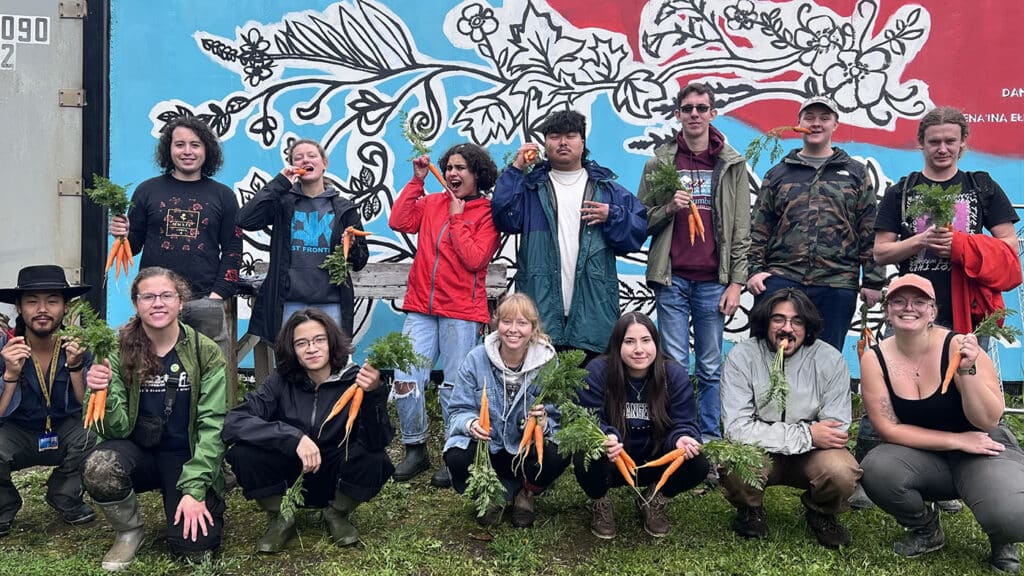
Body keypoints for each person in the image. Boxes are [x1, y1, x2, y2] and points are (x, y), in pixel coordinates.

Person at [859, 274, 1024, 574]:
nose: (909, 307)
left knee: (1014, 516)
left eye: (919, 301)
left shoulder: (959, 345)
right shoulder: (875, 358)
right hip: (927, 456)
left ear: (933, 311)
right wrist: (958, 441)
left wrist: (968, 370)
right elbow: (888, 429)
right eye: (899, 301)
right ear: (887, 310)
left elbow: (988, 419)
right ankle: (926, 529)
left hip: (983, 447)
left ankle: (1003, 538)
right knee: (876, 469)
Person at [82, 267, 228, 571]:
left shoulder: (205, 352)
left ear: (180, 302)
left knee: (194, 551)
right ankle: (128, 531)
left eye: (166, 295)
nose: (157, 303)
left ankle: (200, 498)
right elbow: (115, 429)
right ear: (136, 304)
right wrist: (101, 392)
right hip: (139, 452)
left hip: (185, 455)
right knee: (101, 466)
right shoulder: (116, 349)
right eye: (148, 296)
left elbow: (212, 426)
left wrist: (195, 489)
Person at [222, 308, 394, 553]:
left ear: (331, 341)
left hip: (336, 475)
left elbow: (379, 439)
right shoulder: (280, 381)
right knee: (243, 453)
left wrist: (375, 393)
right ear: (292, 349)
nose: (311, 348)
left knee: (375, 458)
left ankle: (337, 514)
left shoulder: (357, 379)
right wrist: (293, 438)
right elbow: (234, 422)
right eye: (301, 343)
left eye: (319, 340)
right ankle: (281, 516)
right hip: (291, 475)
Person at [637, 82, 750, 450]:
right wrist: (669, 207)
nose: (695, 115)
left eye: (702, 108)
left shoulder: (730, 163)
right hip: (672, 278)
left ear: (713, 114)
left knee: (711, 366)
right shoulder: (660, 163)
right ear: (678, 115)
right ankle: (674, 434)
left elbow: (740, 228)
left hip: (713, 281)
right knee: (672, 363)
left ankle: (710, 437)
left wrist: (736, 283)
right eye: (688, 109)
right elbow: (642, 219)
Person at [492, 110, 647, 360]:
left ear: (582, 142)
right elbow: (503, 216)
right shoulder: (531, 188)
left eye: (570, 136)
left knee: (590, 390)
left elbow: (638, 232)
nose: (562, 142)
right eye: (554, 136)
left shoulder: (606, 190)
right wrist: (517, 168)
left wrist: (613, 216)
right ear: (544, 143)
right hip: (540, 306)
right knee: (540, 390)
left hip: (592, 309)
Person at [388, 143, 500, 487]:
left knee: (456, 386)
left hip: (462, 312)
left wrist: (456, 216)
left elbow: (476, 259)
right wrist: (416, 182)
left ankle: (456, 453)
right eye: (449, 167)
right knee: (405, 379)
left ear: (477, 175)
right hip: (421, 306)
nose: (453, 173)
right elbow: (399, 220)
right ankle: (415, 447)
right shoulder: (433, 202)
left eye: (461, 168)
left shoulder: (487, 213)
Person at [720, 289, 861, 548]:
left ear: (807, 327)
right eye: (778, 319)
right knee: (734, 460)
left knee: (842, 471)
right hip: (762, 451)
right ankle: (750, 509)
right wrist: (807, 434)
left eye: (797, 321)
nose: (787, 328)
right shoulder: (742, 357)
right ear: (766, 322)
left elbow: (836, 429)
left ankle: (821, 511)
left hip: (813, 454)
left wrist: (809, 439)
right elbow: (736, 429)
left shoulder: (830, 359)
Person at [746, 96, 885, 352]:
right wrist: (754, 271)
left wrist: (874, 281)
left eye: (824, 118)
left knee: (826, 359)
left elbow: (868, 229)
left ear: (835, 125)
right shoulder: (778, 174)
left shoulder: (854, 173)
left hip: (836, 282)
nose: (816, 124)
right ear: (798, 123)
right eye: (809, 117)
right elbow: (759, 228)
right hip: (782, 278)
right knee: (769, 355)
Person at [873, 106, 1020, 334]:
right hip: (911, 310)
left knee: (965, 369)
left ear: (962, 142)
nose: (942, 149)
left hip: (969, 311)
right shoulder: (901, 192)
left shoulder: (982, 186)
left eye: (950, 141)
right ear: (921, 142)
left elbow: (1009, 245)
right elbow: (880, 253)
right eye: (934, 142)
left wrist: (961, 246)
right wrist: (921, 241)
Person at [109, 116, 243, 357]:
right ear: (168, 149)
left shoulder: (223, 196)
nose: (187, 151)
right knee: (151, 370)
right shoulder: (147, 190)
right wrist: (123, 236)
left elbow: (233, 249)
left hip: (204, 300)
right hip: (156, 301)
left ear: (207, 150)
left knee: (210, 374)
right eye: (179, 144)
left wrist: (217, 296)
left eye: (195, 144)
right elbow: (134, 245)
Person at [575, 312, 710, 539]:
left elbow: (685, 421)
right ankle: (600, 502)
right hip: (614, 463)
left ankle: (654, 498)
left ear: (656, 343)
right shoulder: (598, 371)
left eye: (646, 341)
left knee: (698, 462)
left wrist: (683, 437)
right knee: (586, 453)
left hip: (655, 462)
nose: (639, 349)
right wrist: (606, 436)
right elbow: (587, 419)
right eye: (630, 341)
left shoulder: (673, 374)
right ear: (617, 344)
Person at [443, 294, 567, 528]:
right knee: (457, 456)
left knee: (557, 452)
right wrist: (470, 424)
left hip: (525, 450)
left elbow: (557, 414)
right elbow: (457, 409)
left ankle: (526, 494)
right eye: (507, 321)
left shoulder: (548, 362)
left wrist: (545, 422)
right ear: (496, 324)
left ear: (533, 328)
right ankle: (492, 495)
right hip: (489, 446)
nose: (513, 330)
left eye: (522, 323)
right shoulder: (476, 358)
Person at [237, 138, 370, 343]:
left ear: (324, 163)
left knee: (330, 368)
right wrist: (280, 182)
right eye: (298, 158)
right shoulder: (282, 202)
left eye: (311, 156)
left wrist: (351, 248)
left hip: (331, 303)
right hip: (288, 302)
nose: (305, 160)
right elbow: (245, 219)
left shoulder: (344, 208)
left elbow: (360, 261)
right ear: (292, 166)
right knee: (289, 368)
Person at [0, 265, 95, 536]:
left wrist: (76, 367)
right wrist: (10, 374)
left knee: (94, 434)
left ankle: (65, 495)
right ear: (19, 307)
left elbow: (87, 407)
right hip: (16, 433)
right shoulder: (5, 348)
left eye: (52, 301)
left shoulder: (79, 346)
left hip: (63, 431)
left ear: (65, 307)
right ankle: (3, 505)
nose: (42, 309)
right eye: (32, 301)